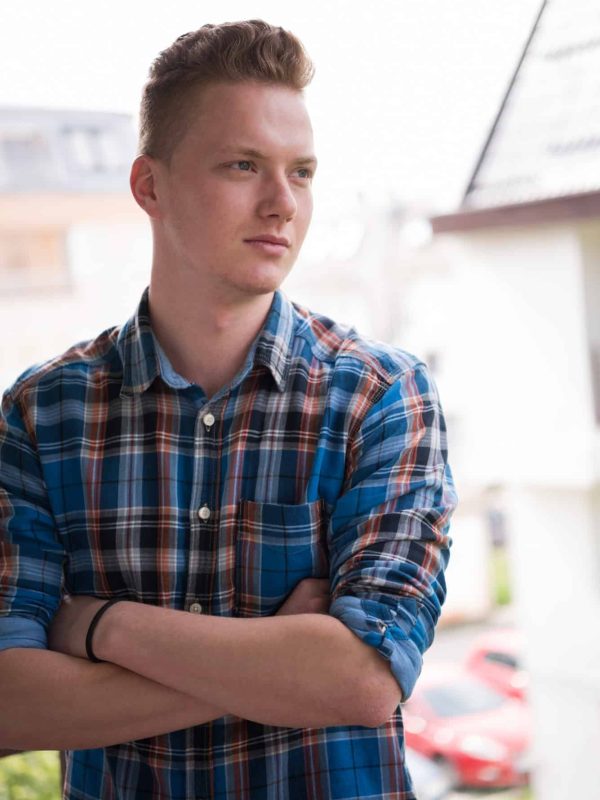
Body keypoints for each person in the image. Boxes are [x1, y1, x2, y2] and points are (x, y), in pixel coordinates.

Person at [0, 20, 457, 800]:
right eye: (243, 165)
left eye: (302, 172)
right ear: (150, 185)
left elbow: (365, 679)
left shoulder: (381, 396)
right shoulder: (43, 414)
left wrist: (101, 627)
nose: (282, 203)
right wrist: (281, 664)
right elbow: (11, 704)